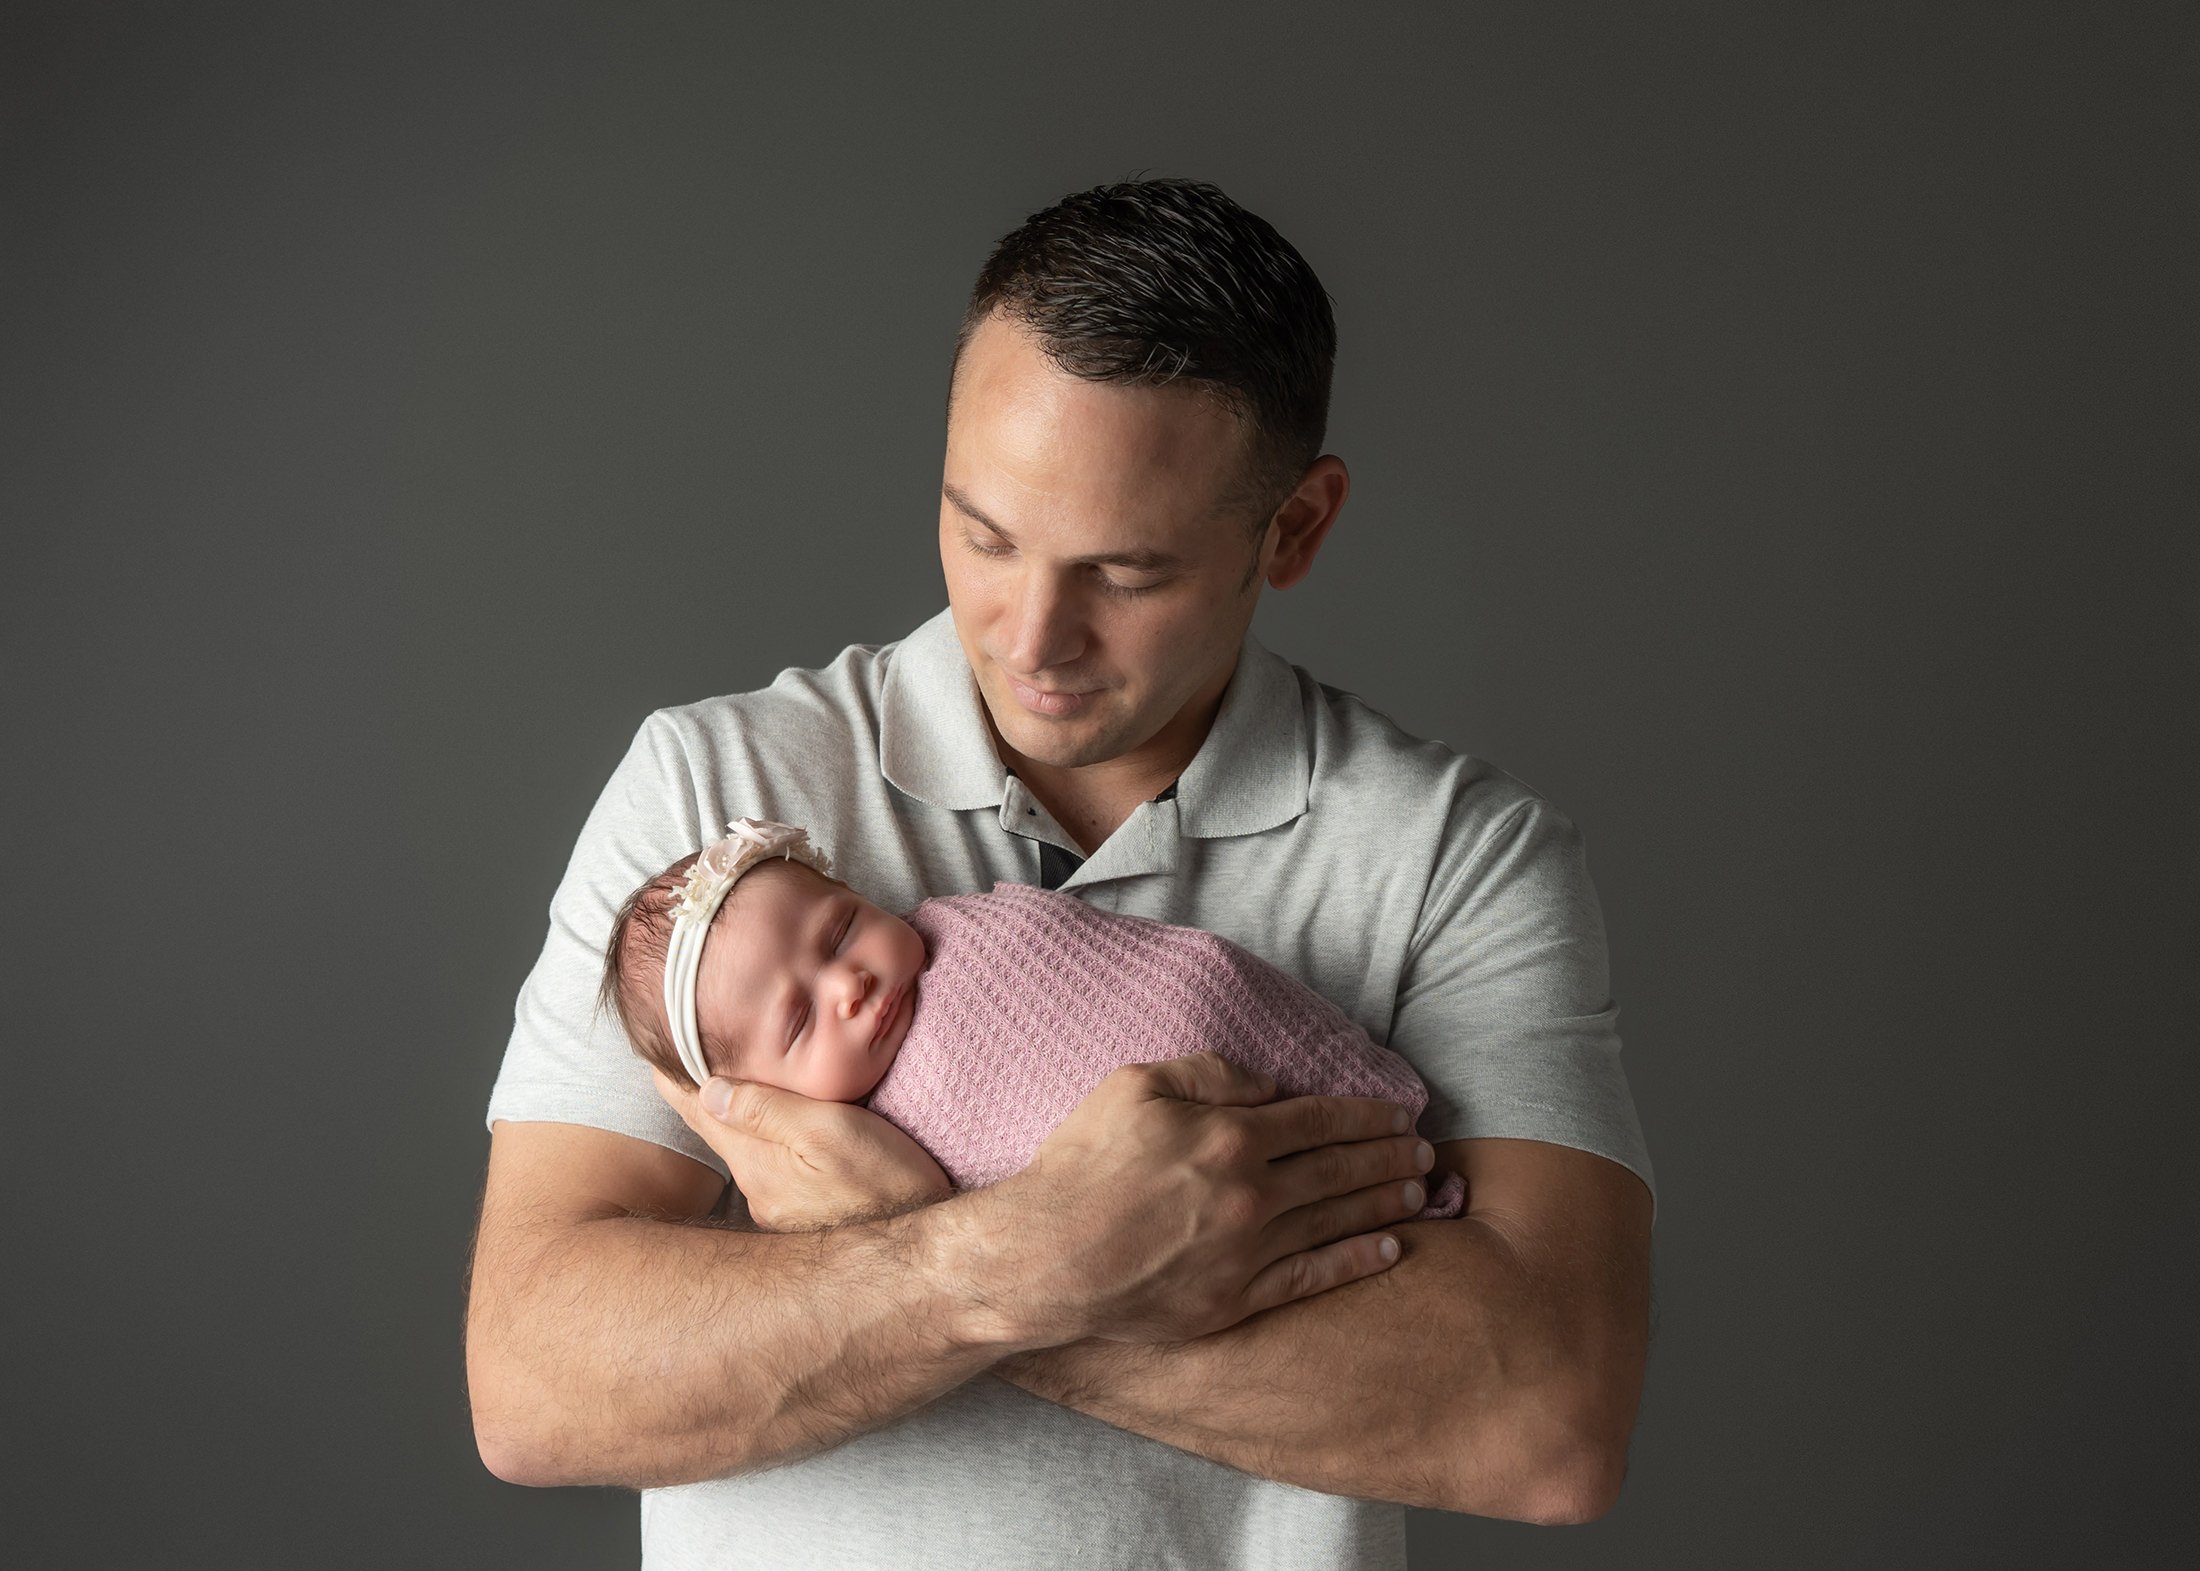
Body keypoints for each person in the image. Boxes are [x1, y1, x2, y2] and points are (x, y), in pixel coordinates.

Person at [466, 177, 1655, 1567]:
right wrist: (993, 1264)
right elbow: (537, 1380)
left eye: (1127, 573)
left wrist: (912, 1243)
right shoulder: (714, 794)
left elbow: (1547, 1422)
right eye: (984, 535)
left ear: (1295, 528)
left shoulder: (1456, 855)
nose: (1034, 635)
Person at [598, 816, 1466, 1217]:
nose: (849, 985)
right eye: (799, 1020)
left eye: (842, 930)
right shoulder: (857, 1154)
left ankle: (1380, 1123)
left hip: (1218, 1028)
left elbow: (1159, 970)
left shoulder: (965, 922)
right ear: (761, 1094)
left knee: (1205, 992)